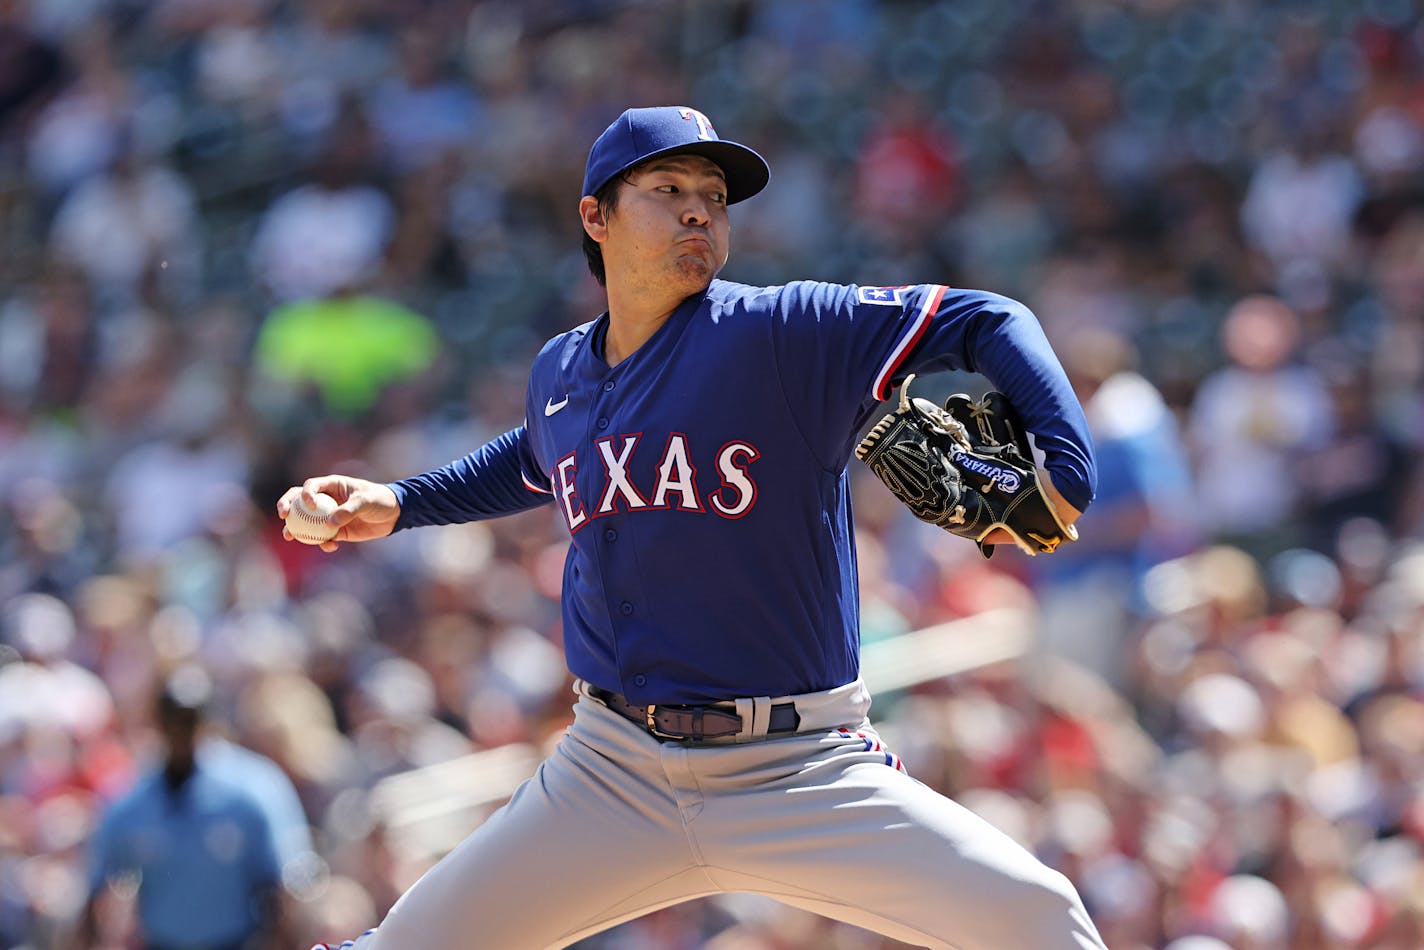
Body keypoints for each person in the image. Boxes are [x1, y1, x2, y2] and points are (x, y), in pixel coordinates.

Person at [288, 106, 1106, 950]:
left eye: (714, 197)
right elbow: (535, 454)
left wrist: (1067, 467)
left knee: (1039, 920)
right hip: (610, 773)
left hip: (797, 766)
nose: (698, 211)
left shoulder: (781, 331)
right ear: (595, 218)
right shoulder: (561, 370)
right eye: (668, 188)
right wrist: (401, 503)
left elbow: (988, 319)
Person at [73, 667, 288, 950]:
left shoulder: (252, 792)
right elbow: (97, 888)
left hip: (236, 941)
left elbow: (280, 886)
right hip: (162, 942)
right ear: (159, 724)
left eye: (190, 720)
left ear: (208, 722)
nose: (181, 731)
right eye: (173, 720)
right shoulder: (132, 802)